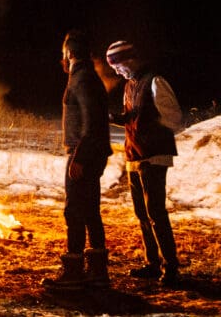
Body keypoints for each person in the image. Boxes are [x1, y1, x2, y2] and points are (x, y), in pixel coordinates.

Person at [106, 39, 184, 287]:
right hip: (134, 156)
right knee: (142, 213)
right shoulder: (130, 85)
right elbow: (133, 116)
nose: (116, 72)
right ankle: (152, 263)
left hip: (154, 156)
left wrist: (151, 131)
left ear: (128, 60)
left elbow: (173, 118)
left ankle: (170, 266)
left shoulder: (155, 82)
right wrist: (118, 118)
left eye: (117, 66)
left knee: (156, 213)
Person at [43, 30, 113, 290]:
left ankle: (73, 272)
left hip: (83, 154)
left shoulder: (81, 79)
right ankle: (97, 271)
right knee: (90, 210)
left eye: (63, 54)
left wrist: (79, 157)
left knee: (74, 211)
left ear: (70, 54)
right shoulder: (87, 77)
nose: (62, 59)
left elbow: (92, 123)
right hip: (91, 153)